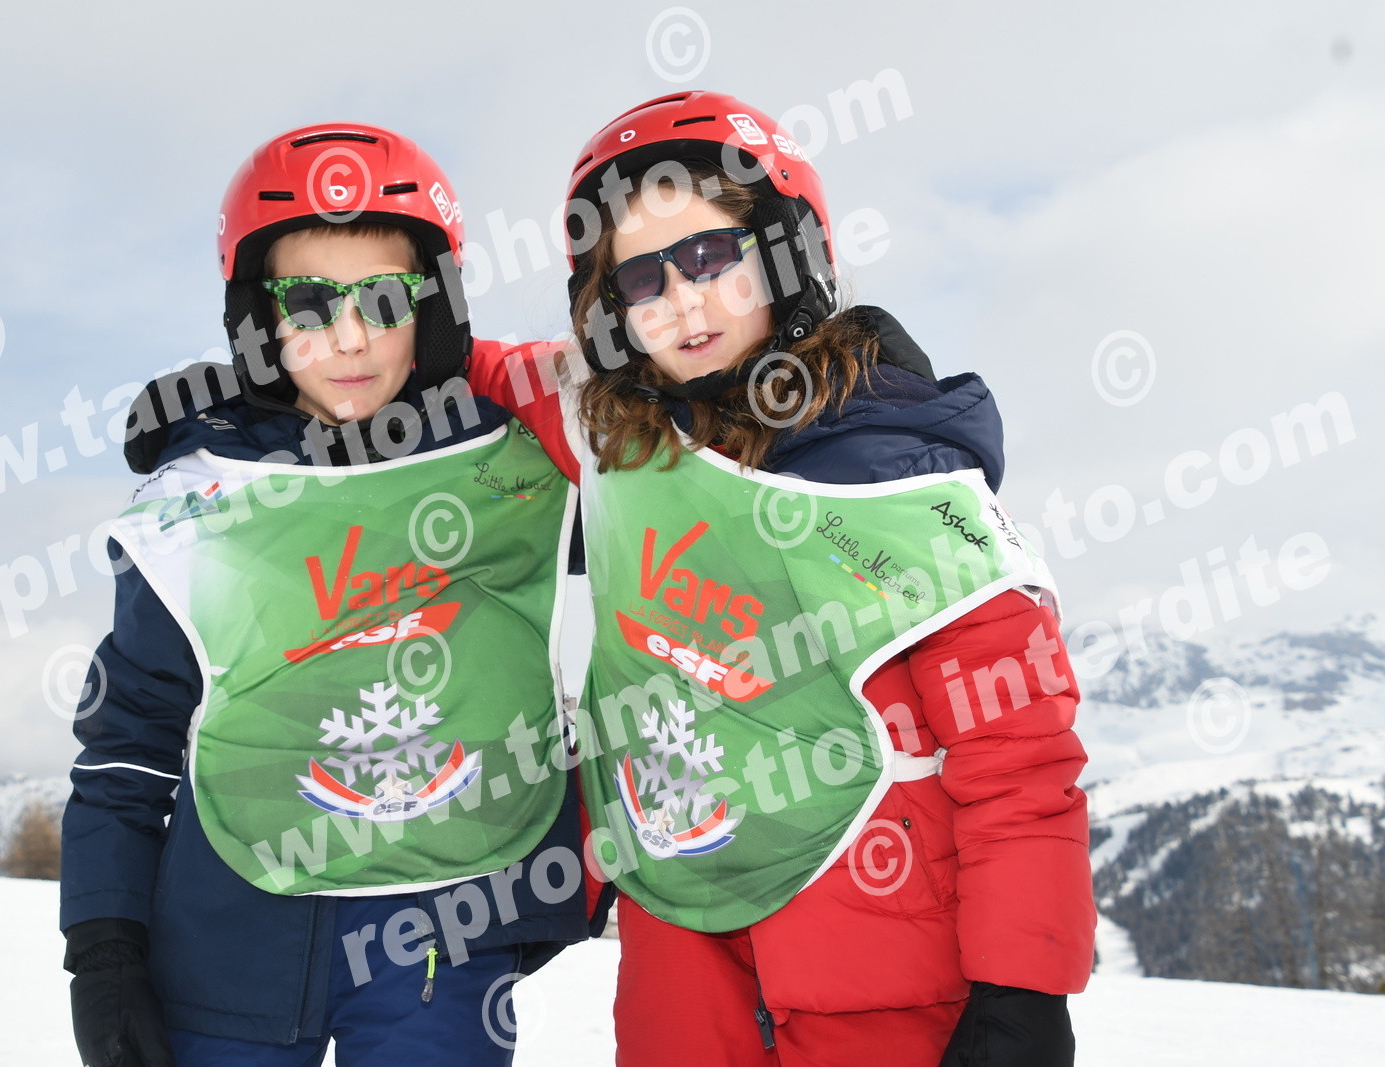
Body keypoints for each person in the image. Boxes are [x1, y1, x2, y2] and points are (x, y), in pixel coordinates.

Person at [473, 91, 1096, 1066]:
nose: (683, 301)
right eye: (641, 279)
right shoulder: (621, 439)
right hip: (682, 952)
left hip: (876, 968)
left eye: (710, 257)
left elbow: (1015, 749)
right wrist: (291, 388)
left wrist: (1022, 989)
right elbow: (483, 373)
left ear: (784, 254)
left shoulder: (887, 470)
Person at [60, 122, 604, 1067]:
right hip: (224, 944)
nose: (349, 338)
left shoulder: (514, 464)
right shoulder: (203, 496)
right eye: (307, 304)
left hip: (440, 942)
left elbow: (687, 475)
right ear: (257, 319)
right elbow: (129, 738)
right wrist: (103, 944)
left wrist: (842, 400)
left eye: (385, 301)